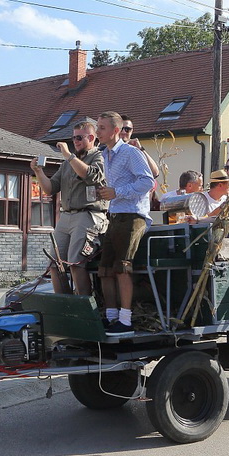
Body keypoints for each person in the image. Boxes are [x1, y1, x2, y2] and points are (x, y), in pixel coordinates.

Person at [30, 119, 108, 296]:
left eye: (79, 138)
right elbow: (50, 188)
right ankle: (64, 304)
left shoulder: (100, 156)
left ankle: (84, 307)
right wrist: (38, 172)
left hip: (89, 215)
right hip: (67, 215)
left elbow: (90, 175)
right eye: (73, 138)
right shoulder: (67, 163)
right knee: (54, 264)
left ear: (91, 137)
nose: (75, 142)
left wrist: (69, 156)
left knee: (75, 263)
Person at [96, 111, 156, 336]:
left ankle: (126, 320)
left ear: (115, 131)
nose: (98, 132)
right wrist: (105, 193)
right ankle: (112, 317)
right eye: (98, 127)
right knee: (105, 269)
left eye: (102, 128)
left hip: (133, 216)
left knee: (122, 267)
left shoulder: (131, 152)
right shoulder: (105, 155)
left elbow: (148, 181)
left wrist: (117, 192)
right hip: (115, 215)